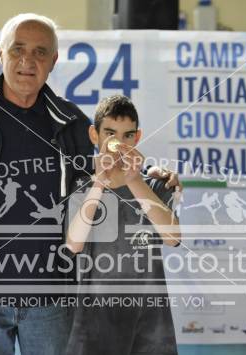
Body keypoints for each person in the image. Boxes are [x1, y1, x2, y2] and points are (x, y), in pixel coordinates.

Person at [0, 13, 180, 355]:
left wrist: (155, 175)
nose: (27, 60)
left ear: (53, 60)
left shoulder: (72, 124)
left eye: (39, 52)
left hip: (52, 302)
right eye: (18, 49)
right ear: (1, 53)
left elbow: (111, 166)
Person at [65, 95, 180, 355]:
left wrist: (133, 179)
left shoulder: (154, 185)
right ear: (94, 135)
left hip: (151, 324)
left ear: (137, 138)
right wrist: (99, 183)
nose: (119, 143)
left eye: (128, 135)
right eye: (110, 133)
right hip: (93, 324)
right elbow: (73, 244)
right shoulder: (83, 186)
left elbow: (173, 237)